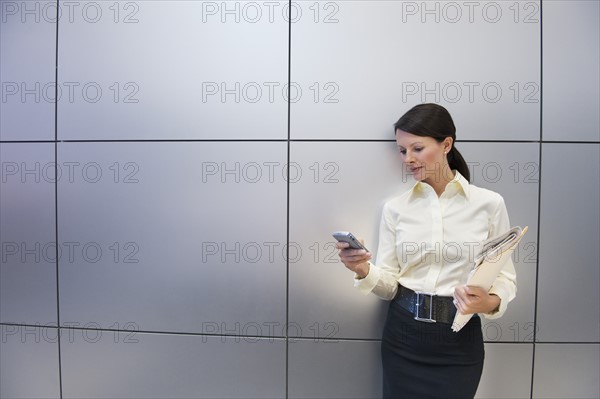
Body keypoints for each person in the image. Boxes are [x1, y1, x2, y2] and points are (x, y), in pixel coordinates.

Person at [336, 103, 517, 399]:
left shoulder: (489, 204)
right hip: (402, 338)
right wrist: (363, 269)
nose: (408, 159)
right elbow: (391, 286)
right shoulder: (395, 208)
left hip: (459, 342)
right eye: (402, 150)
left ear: (446, 144)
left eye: (417, 149)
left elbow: (506, 279)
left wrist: (487, 303)